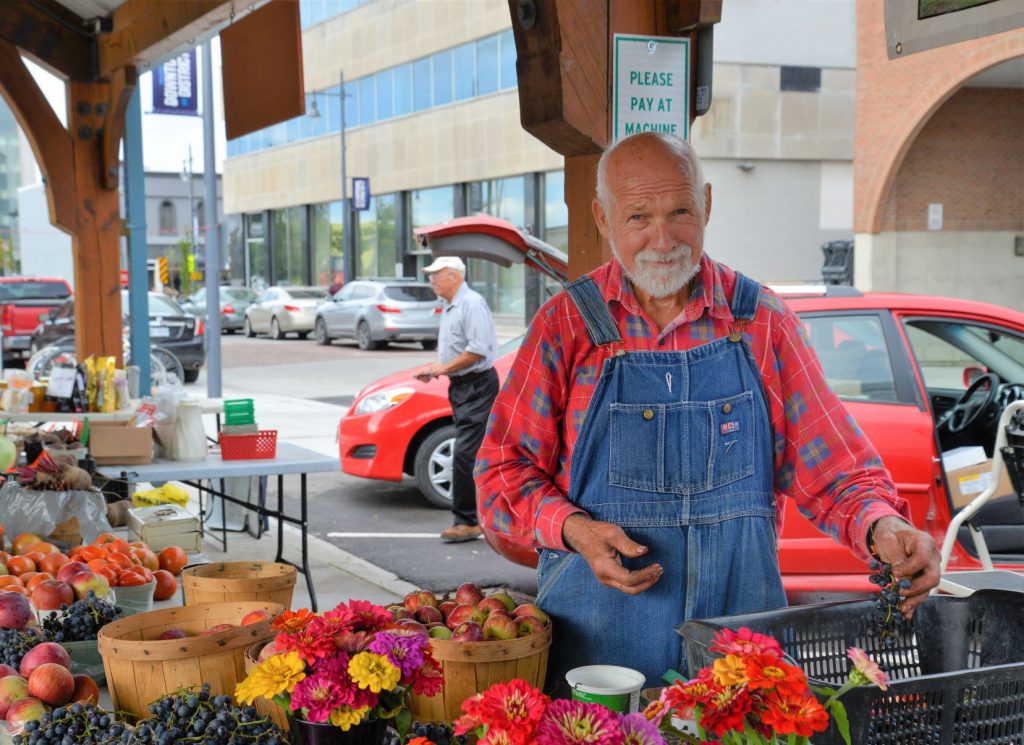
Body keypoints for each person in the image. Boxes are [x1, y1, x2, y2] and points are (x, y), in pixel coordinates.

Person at [474, 132, 940, 687]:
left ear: (709, 204)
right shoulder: (566, 325)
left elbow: (834, 469)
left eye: (680, 211)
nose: (663, 238)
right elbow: (500, 476)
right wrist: (574, 529)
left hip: (737, 657)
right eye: (638, 217)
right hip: (598, 661)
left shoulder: (763, 321)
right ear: (602, 219)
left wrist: (880, 524)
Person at [416, 256, 499, 543]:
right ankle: (473, 517)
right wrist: (436, 367)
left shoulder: (470, 303)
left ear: (453, 276)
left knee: (466, 454)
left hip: (476, 385)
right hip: (464, 386)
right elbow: (459, 350)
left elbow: (477, 350)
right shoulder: (452, 306)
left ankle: (467, 521)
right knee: (468, 453)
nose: (432, 281)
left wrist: (444, 368)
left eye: (436, 275)